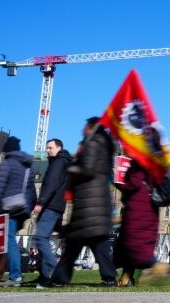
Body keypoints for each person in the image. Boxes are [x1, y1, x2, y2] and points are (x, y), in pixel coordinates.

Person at [49, 117, 117, 287]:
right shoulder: (104, 146)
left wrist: (70, 167)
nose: (83, 129)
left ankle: (59, 279)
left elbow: (87, 168)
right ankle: (109, 278)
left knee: (73, 245)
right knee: (98, 244)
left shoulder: (93, 143)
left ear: (91, 127)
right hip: (97, 203)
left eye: (85, 126)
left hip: (88, 203)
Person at [0, 136, 37, 287]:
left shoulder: (7, 164)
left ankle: (15, 276)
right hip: (22, 209)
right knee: (5, 240)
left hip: (8, 207)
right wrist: (29, 209)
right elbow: (32, 193)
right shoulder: (29, 166)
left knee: (6, 240)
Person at [31, 138, 73, 286]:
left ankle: (56, 274)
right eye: (47, 148)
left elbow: (51, 183)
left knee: (41, 238)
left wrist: (40, 203)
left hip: (51, 205)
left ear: (59, 148)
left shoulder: (59, 162)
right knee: (42, 240)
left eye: (50, 148)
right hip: (56, 205)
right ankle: (44, 276)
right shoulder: (62, 161)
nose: (47, 150)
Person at [113, 161, 159, 287]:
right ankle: (126, 279)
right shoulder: (150, 166)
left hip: (137, 212)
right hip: (143, 212)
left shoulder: (139, 165)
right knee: (129, 248)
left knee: (130, 246)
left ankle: (154, 266)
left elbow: (133, 184)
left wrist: (118, 182)